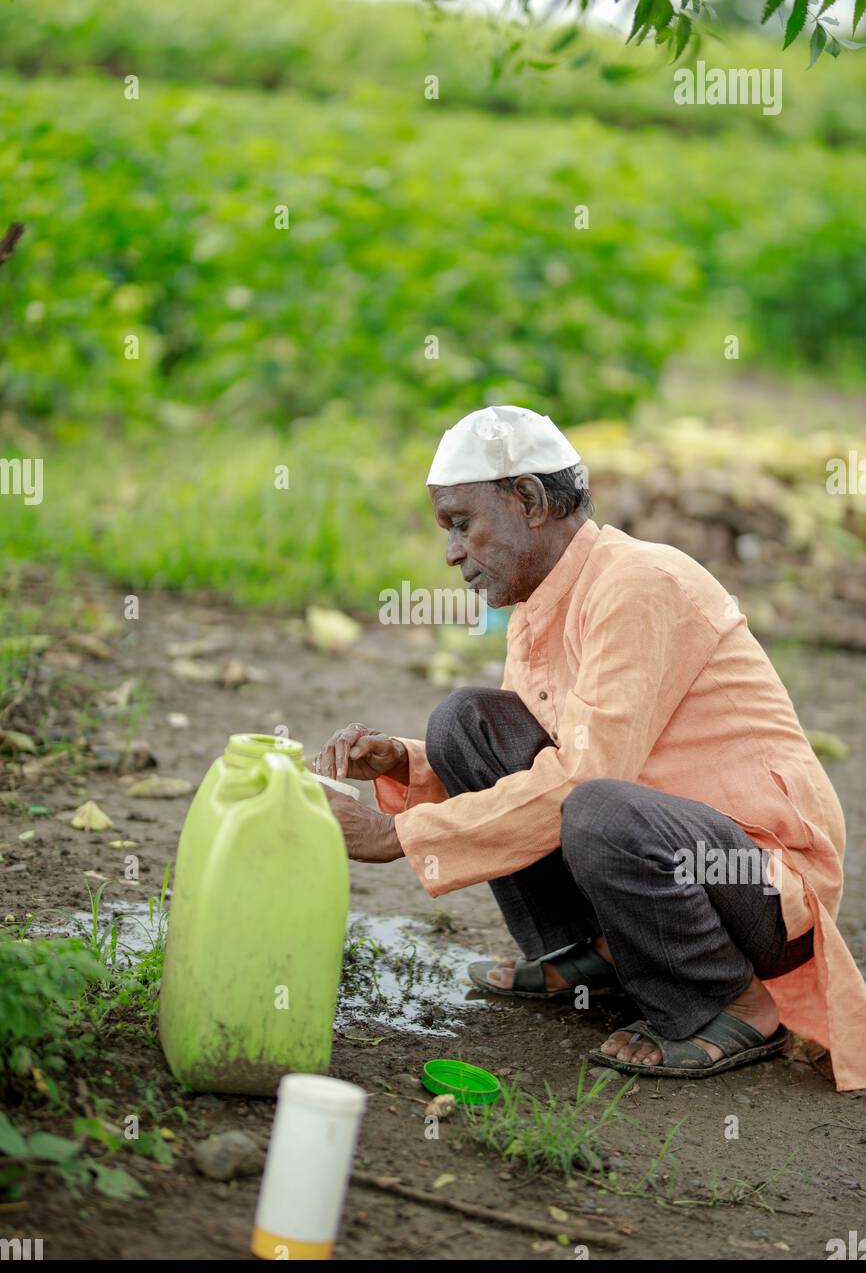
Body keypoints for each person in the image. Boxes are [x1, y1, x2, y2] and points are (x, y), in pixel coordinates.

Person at [315, 405, 866, 1088]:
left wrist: (396, 833)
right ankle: (595, 955)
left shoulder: (639, 583)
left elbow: (581, 781)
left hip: (760, 876)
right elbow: (554, 756)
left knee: (596, 808)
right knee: (467, 722)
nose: (453, 553)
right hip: (667, 840)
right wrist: (405, 762)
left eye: (462, 524)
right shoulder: (539, 606)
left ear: (531, 500)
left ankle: (733, 1001)